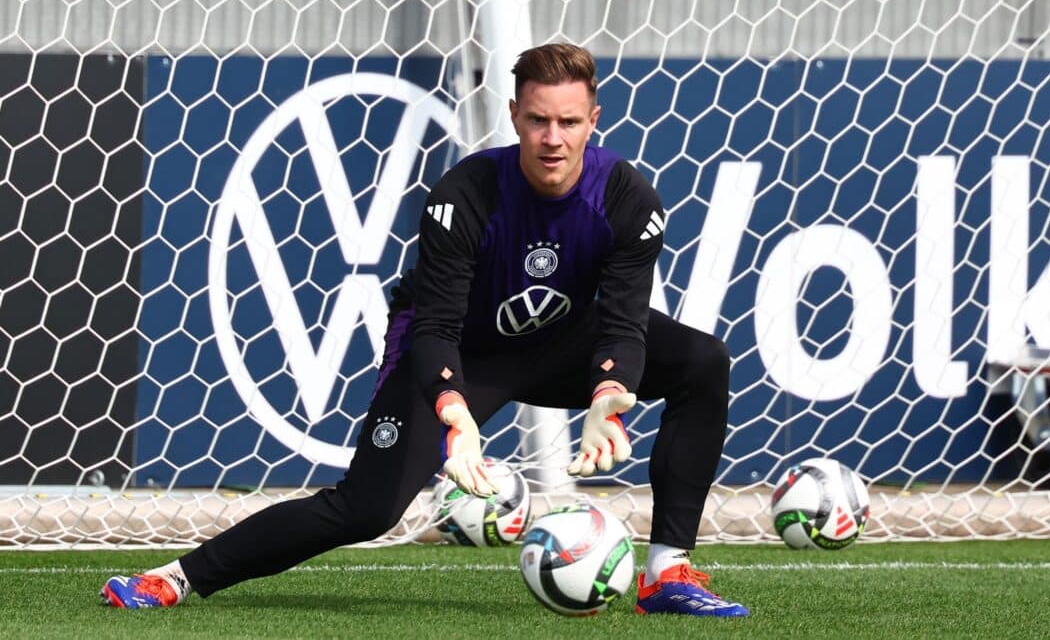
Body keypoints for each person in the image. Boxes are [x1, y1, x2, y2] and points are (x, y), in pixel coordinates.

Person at [101, 43, 748, 618]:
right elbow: (435, 322)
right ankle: (175, 577)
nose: (553, 137)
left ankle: (666, 571)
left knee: (702, 360)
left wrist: (609, 395)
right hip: (457, 349)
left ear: (593, 121)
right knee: (367, 508)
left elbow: (623, 320)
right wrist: (455, 413)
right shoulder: (465, 193)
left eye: (569, 122)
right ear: (515, 114)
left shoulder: (629, 201)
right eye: (538, 119)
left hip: (561, 341)